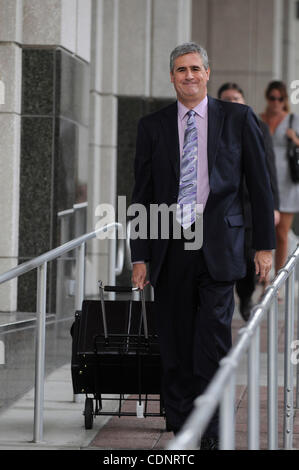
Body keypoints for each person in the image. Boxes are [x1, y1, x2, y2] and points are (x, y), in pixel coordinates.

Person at [130, 42, 275, 450]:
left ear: (208, 73)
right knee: (174, 345)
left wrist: (263, 246)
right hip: (170, 247)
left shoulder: (238, 118)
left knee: (211, 341)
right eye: (181, 70)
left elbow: (259, 187)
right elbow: (140, 194)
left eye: (195, 68)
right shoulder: (152, 126)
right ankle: (182, 426)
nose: (189, 76)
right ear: (172, 77)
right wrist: (139, 254)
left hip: (220, 247)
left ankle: (211, 433)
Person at [217, 82, 280, 320]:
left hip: (251, 204)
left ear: (244, 101)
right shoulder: (213, 126)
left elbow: (268, 171)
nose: (232, 103)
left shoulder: (258, 127)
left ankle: (245, 298)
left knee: (247, 257)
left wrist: (273, 206)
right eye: (226, 99)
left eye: (236, 98)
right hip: (223, 207)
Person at [260, 81, 299, 287]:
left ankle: (277, 278)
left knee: (281, 233)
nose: (276, 102)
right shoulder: (260, 119)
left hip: (286, 181)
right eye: (273, 98)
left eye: (280, 98)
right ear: (267, 98)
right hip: (264, 178)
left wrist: (295, 139)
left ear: (285, 100)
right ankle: (262, 274)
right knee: (263, 229)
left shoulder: (293, 120)